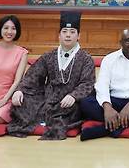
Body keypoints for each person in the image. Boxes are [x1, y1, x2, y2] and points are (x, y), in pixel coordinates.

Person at [6, 11, 95, 140]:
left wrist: (73, 96)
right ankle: (45, 119)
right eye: (64, 31)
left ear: (78, 36)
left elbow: (88, 83)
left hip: (69, 101)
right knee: (22, 101)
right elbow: (33, 75)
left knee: (75, 108)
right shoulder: (49, 56)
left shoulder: (86, 58)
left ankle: (45, 119)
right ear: (59, 35)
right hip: (48, 97)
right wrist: (19, 90)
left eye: (72, 32)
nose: (68, 35)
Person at [79, 28, 129, 140]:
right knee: (86, 103)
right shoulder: (109, 59)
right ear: (121, 43)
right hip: (114, 101)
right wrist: (107, 106)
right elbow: (102, 84)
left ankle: (104, 130)